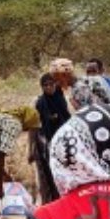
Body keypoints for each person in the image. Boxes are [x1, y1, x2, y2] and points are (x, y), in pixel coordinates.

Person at [32, 72, 70, 204]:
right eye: (45, 85)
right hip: (47, 142)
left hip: (64, 141)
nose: (48, 88)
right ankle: (53, 201)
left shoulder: (60, 99)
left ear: (55, 84)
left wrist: (58, 119)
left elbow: (67, 117)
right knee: (50, 173)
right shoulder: (40, 102)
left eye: (51, 84)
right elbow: (36, 125)